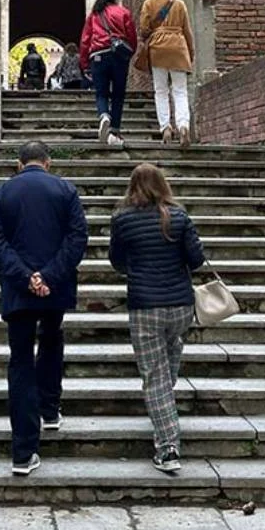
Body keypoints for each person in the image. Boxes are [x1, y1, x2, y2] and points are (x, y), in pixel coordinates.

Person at [0, 140, 89, 476]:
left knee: (20, 361)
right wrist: (49, 276)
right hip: (54, 287)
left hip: (19, 290)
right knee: (52, 341)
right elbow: (77, 239)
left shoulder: (2, 194)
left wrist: (25, 277)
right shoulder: (65, 191)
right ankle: (49, 408)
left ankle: (23, 451)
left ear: (20, 163)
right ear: (48, 162)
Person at [108, 163, 206, 474]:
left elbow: (117, 261)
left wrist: (137, 268)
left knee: (154, 375)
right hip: (180, 305)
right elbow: (197, 259)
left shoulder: (122, 219)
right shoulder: (179, 216)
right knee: (170, 355)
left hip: (145, 305)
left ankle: (167, 446)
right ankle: (164, 406)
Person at [139, 0, 196, 147]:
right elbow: (187, 31)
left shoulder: (149, 4)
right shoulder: (180, 4)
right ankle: (183, 125)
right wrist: (190, 53)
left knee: (161, 90)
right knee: (180, 91)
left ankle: (165, 127)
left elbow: (143, 29)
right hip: (178, 48)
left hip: (158, 49)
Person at [79, 0, 137, 147]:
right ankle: (114, 131)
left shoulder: (94, 15)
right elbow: (131, 36)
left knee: (101, 93)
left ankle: (104, 115)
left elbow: (85, 40)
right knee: (118, 95)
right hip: (119, 56)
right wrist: (129, 53)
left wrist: (84, 64)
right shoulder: (124, 12)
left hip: (98, 55)